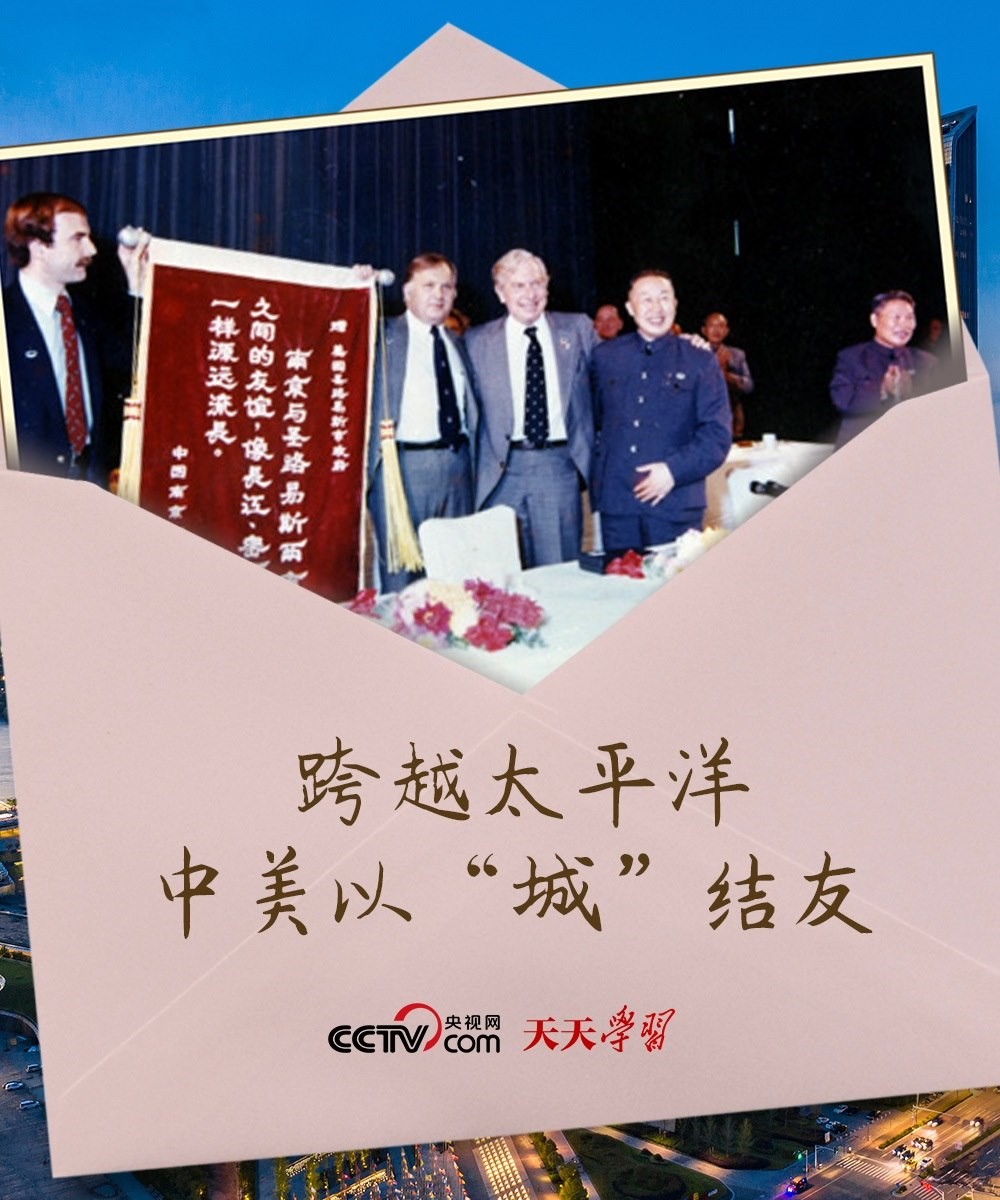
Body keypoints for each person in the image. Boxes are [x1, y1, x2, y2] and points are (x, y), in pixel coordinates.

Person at [465, 248, 597, 568]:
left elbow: (618, 371)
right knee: (500, 576)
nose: (530, 294)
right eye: (518, 286)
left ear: (547, 287)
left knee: (559, 573)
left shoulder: (577, 329)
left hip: (557, 468)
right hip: (499, 474)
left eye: (536, 283)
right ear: (501, 293)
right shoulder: (475, 341)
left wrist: (687, 344)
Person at [2, 192, 144, 484]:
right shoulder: (7, 319)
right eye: (78, 238)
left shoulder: (86, 314)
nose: (91, 249)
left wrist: (136, 285)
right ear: (40, 247)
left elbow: (132, 364)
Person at [591, 270, 732, 551]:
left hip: (676, 503)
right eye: (646, 300)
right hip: (619, 507)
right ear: (630, 308)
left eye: (664, 298)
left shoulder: (700, 360)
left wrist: (673, 471)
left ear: (675, 304)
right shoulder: (605, 357)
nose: (656, 308)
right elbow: (593, 421)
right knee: (619, 579)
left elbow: (717, 435)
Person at [367, 252, 479, 593]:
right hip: (403, 470)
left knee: (455, 573)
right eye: (428, 286)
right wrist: (355, 285)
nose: (438, 294)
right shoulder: (381, 334)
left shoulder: (460, 343)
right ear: (407, 293)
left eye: (446, 287)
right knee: (403, 580)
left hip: (458, 469)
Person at [830, 290, 937, 447]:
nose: (904, 325)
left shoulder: (927, 362)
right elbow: (842, 400)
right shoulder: (852, 358)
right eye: (896, 318)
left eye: (909, 318)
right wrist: (882, 389)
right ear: (874, 320)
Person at [701, 311, 753, 439]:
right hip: (702, 417)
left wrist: (726, 376)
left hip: (731, 416)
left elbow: (749, 386)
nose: (716, 330)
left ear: (726, 331)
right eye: (712, 326)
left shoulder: (737, 355)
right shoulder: (696, 353)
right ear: (704, 330)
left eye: (720, 326)